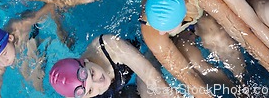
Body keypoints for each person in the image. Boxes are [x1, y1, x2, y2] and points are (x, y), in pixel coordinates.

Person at [140, 0, 269, 98]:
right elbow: (185, 75)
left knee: (218, 38)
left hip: (201, 15)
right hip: (177, 37)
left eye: (167, 27)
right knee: (196, 65)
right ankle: (235, 91)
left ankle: (243, 82)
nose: (161, 32)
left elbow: (243, 34)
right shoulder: (153, 30)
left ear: (185, 9)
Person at [0, 3, 70, 97]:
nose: (4, 62)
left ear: (10, 38)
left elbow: (50, 5)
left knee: (33, 81)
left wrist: (60, 30)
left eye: (4, 53)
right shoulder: (0, 62)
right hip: (25, 45)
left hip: (34, 30)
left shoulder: (22, 26)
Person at [49, 35, 183, 98]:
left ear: (85, 61)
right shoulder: (77, 94)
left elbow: (153, 79)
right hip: (118, 92)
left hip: (138, 69)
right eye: (90, 91)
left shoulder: (110, 47)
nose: (99, 83)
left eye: (92, 74)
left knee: (150, 93)